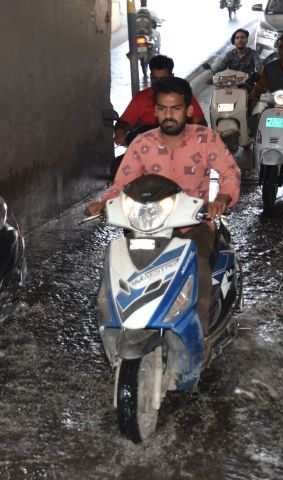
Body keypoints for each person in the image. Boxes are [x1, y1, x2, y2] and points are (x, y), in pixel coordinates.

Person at [87, 77, 241, 348]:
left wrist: (223, 197)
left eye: (176, 108)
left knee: (198, 265)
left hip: (194, 225)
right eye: (163, 109)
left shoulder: (206, 140)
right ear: (156, 111)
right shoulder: (142, 144)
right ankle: (119, 324)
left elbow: (230, 172)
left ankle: (199, 339)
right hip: (146, 226)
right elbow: (121, 184)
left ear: (188, 110)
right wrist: (105, 203)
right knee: (120, 266)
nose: (169, 115)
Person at [113, 55, 207, 147]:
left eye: (163, 79)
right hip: (148, 148)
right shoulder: (141, 98)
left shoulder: (183, 96)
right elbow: (124, 122)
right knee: (117, 163)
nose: (158, 84)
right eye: (155, 79)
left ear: (171, 76)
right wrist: (120, 131)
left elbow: (200, 123)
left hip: (180, 147)